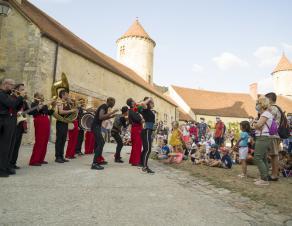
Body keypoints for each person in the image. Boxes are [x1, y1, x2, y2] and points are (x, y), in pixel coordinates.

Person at [0, 78, 24, 177]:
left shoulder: (8, 95)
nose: (14, 87)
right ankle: (1, 170)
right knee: (4, 147)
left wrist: (21, 99)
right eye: (12, 85)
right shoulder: (1, 94)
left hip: (10, 121)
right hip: (3, 120)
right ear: (5, 84)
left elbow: (16, 107)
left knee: (10, 146)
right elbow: (11, 104)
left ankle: (6, 166)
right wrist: (20, 98)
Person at [91, 97, 118, 170]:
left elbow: (102, 118)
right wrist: (112, 112)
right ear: (110, 102)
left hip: (97, 126)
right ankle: (94, 163)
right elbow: (100, 117)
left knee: (98, 143)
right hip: (95, 126)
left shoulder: (105, 107)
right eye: (113, 102)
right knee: (101, 142)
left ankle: (98, 160)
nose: (114, 104)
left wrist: (111, 116)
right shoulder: (104, 106)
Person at [252, 96, 273, 186]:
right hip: (263, 136)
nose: (256, 105)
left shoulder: (265, 114)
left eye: (258, 103)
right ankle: (264, 176)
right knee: (263, 158)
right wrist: (256, 124)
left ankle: (264, 179)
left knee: (257, 157)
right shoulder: (265, 114)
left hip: (262, 137)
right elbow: (259, 126)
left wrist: (254, 124)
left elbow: (259, 125)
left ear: (262, 104)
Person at [29, 92, 55, 166]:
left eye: (43, 95)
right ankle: (34, 160)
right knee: (39, 140)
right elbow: (34, 111)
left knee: (45, 140)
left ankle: (41, 159)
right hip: (39, 119)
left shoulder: (44, 104)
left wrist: (53, 106)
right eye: (41, 95)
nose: (43, 97)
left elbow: (49, 113)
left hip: (45, 119)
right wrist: (47, 103)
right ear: (36, 96)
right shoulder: (34, 103)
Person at [9, 83, 29, 170]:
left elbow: (27, 110)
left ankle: (13, 163)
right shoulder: (12, 97)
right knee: (12, 145)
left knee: (17, 145)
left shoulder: (21, 99)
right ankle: (8, 164)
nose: (23, 91)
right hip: (13, 123)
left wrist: (25, 100)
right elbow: (13, 107)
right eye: (22, 89)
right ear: (17, 90)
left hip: (20, 124)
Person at [55, 90, 77, 163]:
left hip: (65, 122)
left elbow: (73, 108)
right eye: (67, 95)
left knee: (64, 140)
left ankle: (61, 156)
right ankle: (57, 157)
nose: (68, 96)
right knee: (59, 140)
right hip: (60, 122)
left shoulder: (67, 102)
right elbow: (61, 112)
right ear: (62, 95)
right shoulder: (59, 102)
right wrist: (71, 111)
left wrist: (71, 103)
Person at [265, 92, 282, 181]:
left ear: (270, 99)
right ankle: (275, 173)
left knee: (274, 155)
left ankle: (274, 175)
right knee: (274, 155)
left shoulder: (273, 108)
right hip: (275, 134)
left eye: (266, 99)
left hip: (273, 135)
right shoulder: (278, 108)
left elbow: (267, 119)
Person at [139, 97, 156, 174]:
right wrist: (149, 98)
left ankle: (142, 163)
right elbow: (142, 103)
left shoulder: (148, 110)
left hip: (147, 130)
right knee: (148, 149)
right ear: (148, 103)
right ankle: (145, 167)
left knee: (146, 148)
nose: (153, 104)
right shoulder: (145, 109)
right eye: (152, 102)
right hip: (147, 131)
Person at [127, 98, 143, 166]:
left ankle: (133, 160)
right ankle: (136, 161)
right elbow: (137, 119)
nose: (135, 101)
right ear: (132, 103)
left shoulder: (132, 110)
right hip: (136, 128)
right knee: (137, 145)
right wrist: (141, 119)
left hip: (135, 128)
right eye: (133, 101)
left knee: (135, 145)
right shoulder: (132, 110)